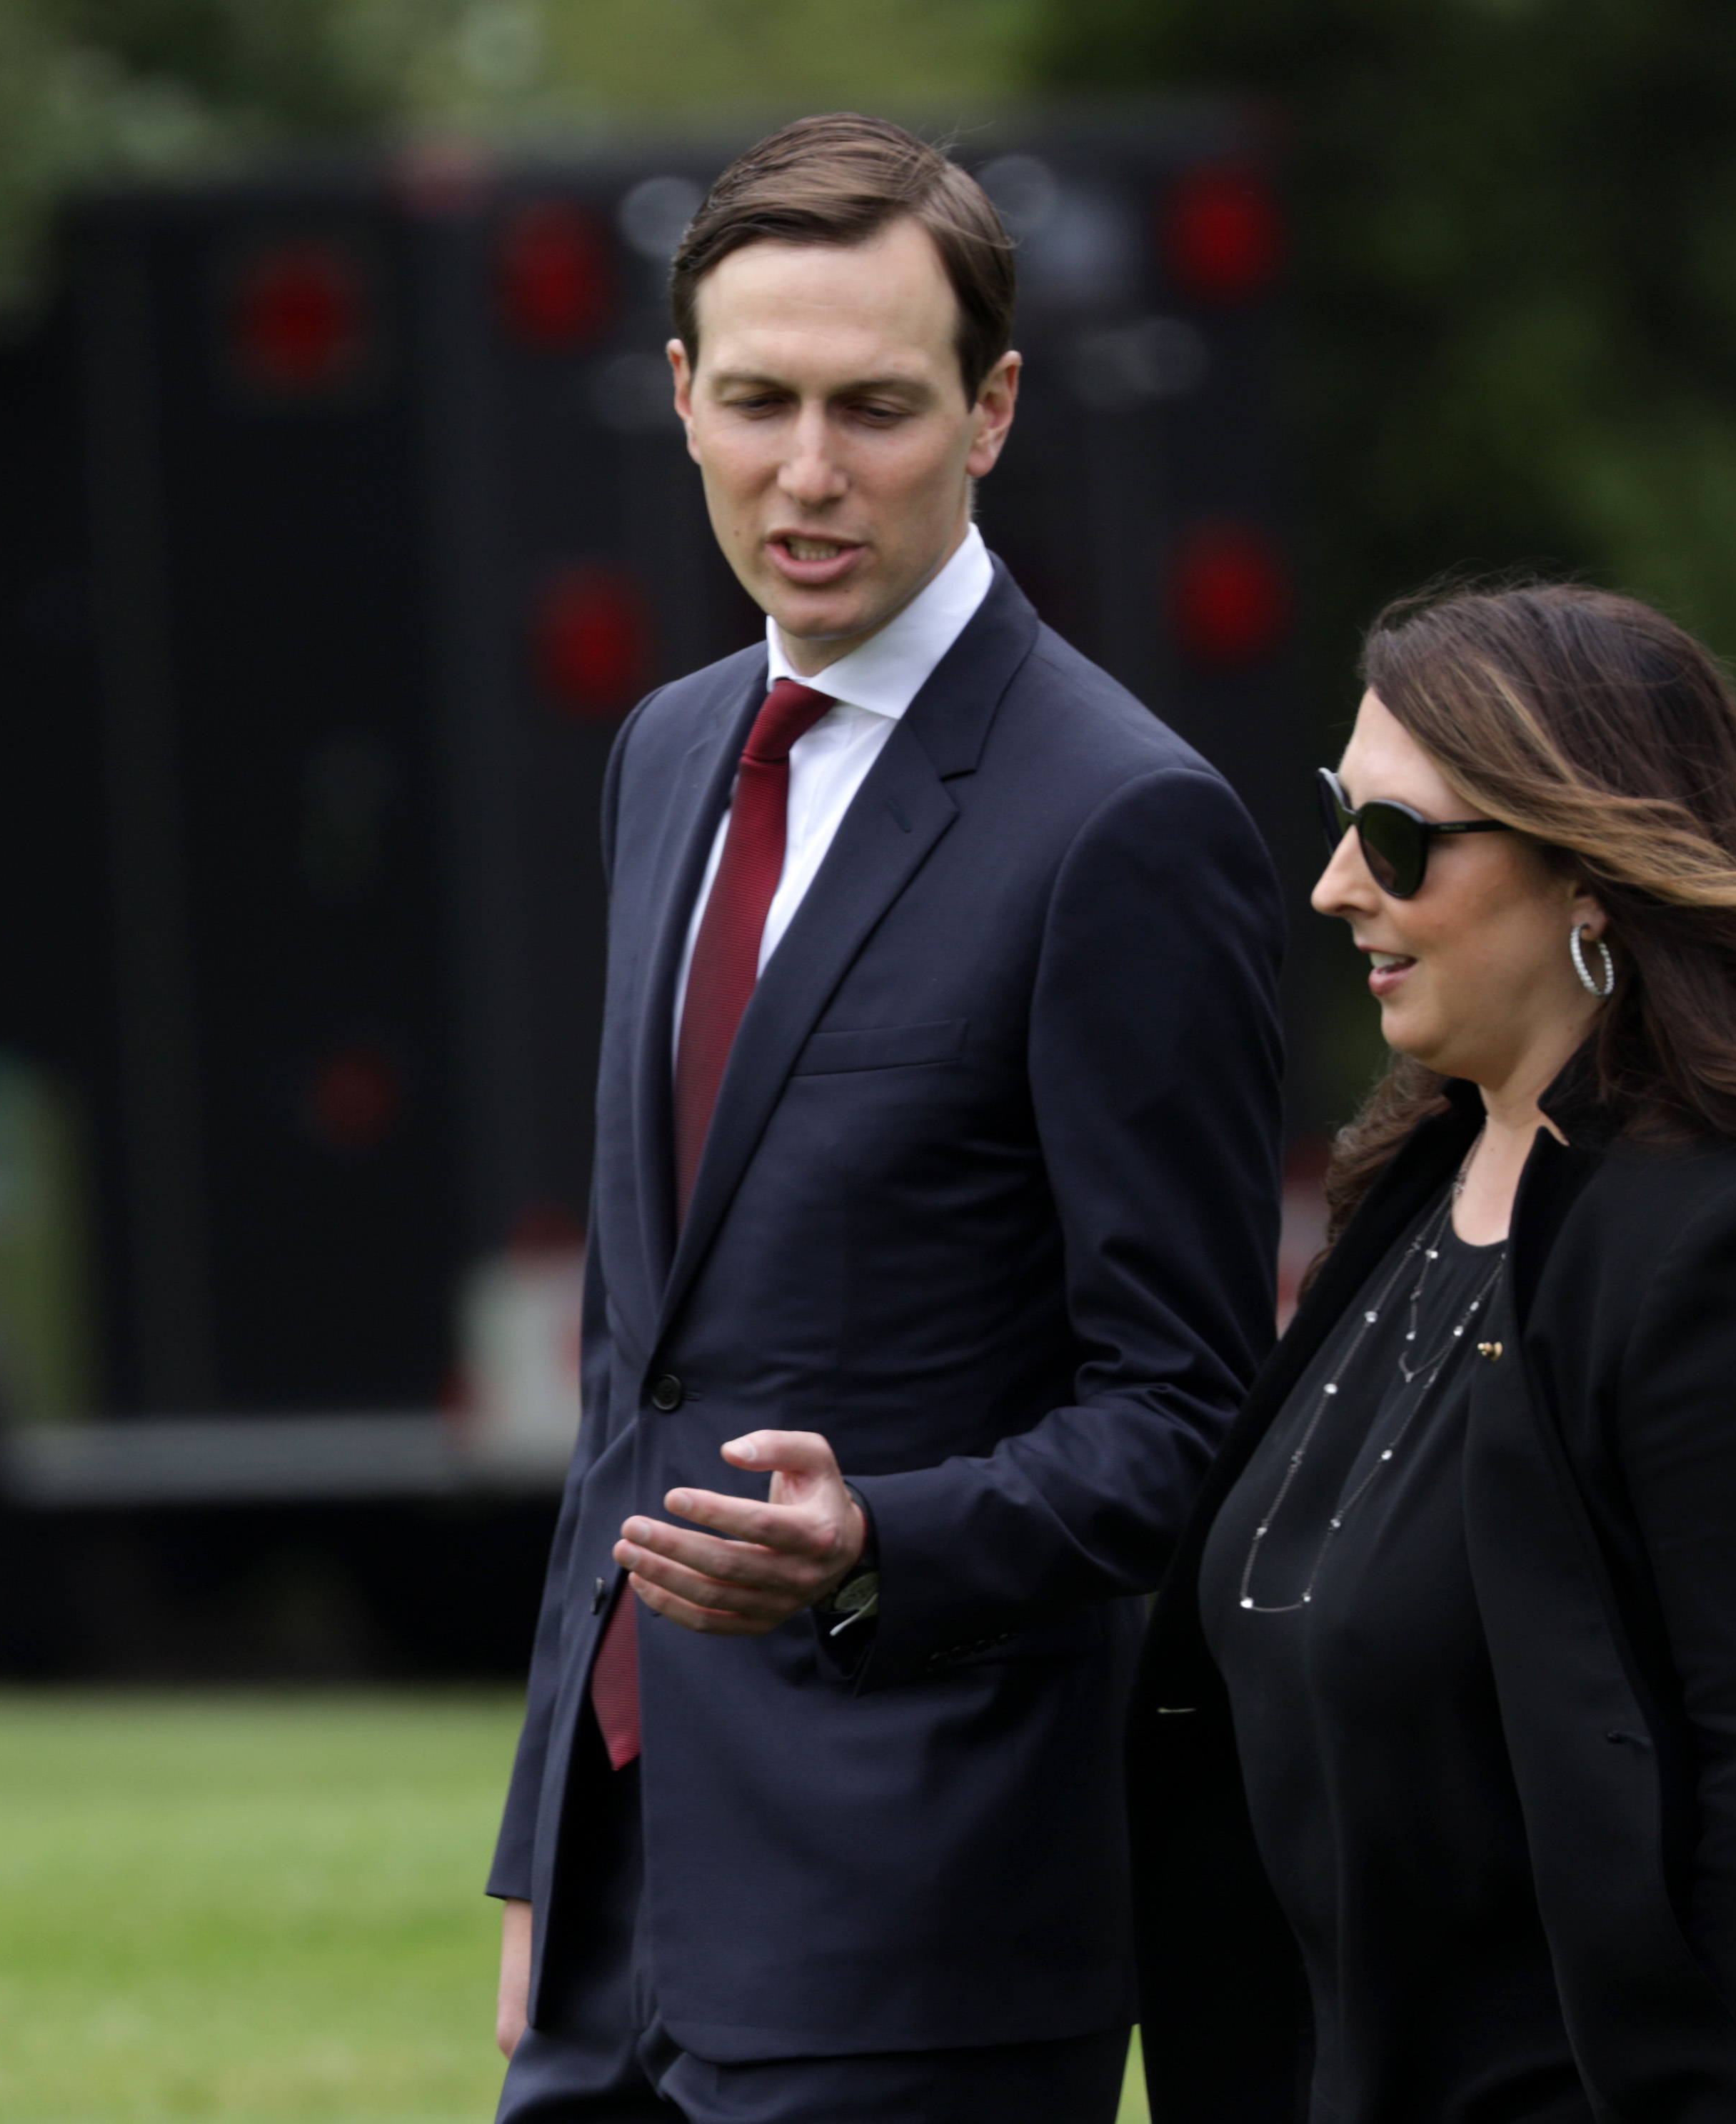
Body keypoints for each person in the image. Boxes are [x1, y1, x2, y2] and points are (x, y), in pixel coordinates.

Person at [486, 114, 1286, 2123]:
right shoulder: (668, 753)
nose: (809, 472)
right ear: (680, 398)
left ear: (994, 410)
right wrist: (540, 1844)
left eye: (877, 407)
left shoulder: (1124, 820)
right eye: (756, 402)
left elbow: (1186, 1411)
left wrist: (872, 1549)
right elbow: (629, 1366)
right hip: (622, 1889)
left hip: (919, 1910)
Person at [1128, 582, 1736, 2123]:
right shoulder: (1410, 1193)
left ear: (1587, 872)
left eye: (1397, 839)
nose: (1332, 887)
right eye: (1338, 818)